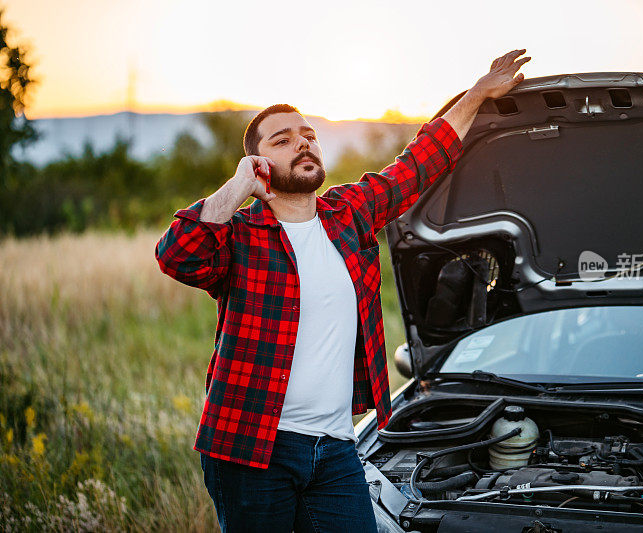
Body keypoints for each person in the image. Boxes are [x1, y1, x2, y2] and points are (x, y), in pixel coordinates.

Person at [154, 49, 531, 532]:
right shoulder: (240, 234)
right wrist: (237, 186)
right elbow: (177, 255)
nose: (303, 144)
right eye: (283, 140)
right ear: (257, 160)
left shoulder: (348, 213)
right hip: (251, 447)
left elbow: (418, 164)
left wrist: (477, 93)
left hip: (335, 448)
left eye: (309, 135)